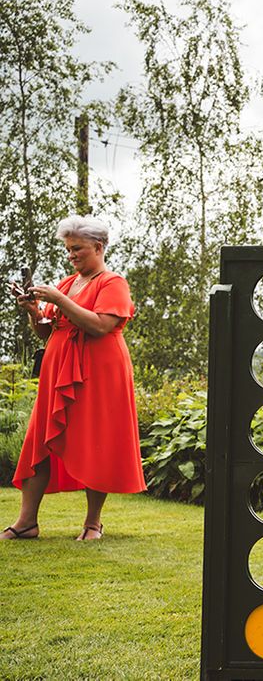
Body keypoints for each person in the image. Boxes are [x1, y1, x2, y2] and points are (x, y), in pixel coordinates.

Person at [2, 215, 146, 541]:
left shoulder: (112, 283)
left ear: (98, 246)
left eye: (77, 249)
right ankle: (27, 522)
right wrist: (33, 310)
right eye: (68, 250)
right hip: (59, 371)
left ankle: (93, 523)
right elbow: (46, 331)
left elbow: (100, 325)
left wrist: (57, 299)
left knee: (94, 441)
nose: (71, 256)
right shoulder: (68, 284)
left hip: (98, 373)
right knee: (39, 439)